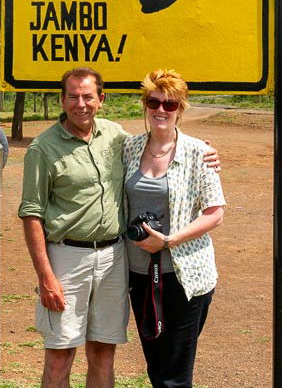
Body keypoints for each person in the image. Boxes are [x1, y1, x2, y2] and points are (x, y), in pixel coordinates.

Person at [19, 67, 219, 388]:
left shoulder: (116, 138)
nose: (80, 104)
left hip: (115, 260)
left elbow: (165, 145)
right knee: (60, 355)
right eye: (73, 96)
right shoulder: (43, 149)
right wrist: (45, 277)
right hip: (67, 260)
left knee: (103, 352)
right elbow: (31, 215)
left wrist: (200, 149)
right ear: (62, 100)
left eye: (88, 96)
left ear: (101, 99)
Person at [123, 69, 225, 388]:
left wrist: (167, 240)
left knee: (175, 376)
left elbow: (215, 213)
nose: (161, 110)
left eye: (170, 105)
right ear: (145, 104)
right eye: (154, 102)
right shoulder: (129, 148)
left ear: (180, 109)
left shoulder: (198, 152)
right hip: (139, 276)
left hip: (184, 277)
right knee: (156, 367)